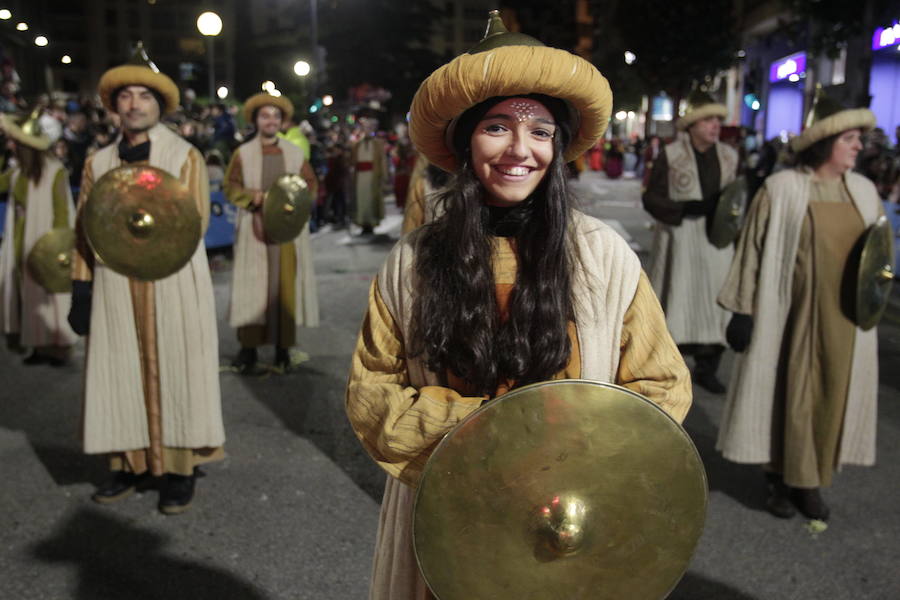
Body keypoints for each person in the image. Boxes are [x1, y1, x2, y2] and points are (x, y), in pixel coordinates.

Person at [345, 12, 692, 599]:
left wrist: (569, 447)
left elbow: (662, 387)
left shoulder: (604, 256)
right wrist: (489, 437)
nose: (519, 150)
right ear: (464, 141)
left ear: (557, 147)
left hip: (569, 520)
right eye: (498, 127)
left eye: (540, 132)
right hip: (450, 513)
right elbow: (372, 392)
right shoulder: (411, 263)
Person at [68, 45, 224, 515]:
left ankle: (179, 469)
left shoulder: (184, 156)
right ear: (114, 106)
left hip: (172, 279)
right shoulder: (97, 163)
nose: (135, 104)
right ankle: (127, 463)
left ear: (159, 106)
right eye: (126, 97)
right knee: (117, 371)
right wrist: (81, 285)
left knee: (178, 366)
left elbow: (193, 223)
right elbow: (84, 227)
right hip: (115, 282)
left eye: (145, 96)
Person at [717, 89, 881, 522]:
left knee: (830, 395)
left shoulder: (864, 191)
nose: (859, 147)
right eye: (850, 139)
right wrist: (741, 309)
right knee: (786, 395)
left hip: (845, 320)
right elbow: (751, 251)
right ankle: (782, 481)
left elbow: (878, 260)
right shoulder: (781, 188)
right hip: (789, 315)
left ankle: (811, 479)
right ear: (827, 143)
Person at [642, 90, 739, 393]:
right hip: (680, 240)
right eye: (708, 119)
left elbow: (737, 198)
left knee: (716, 306)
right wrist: (684, 209)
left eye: (717, 120)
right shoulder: (670, 155)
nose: (715, 125)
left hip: (717, 242)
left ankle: (708, 368)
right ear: (693, 124)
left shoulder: (730, 155)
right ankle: (672, 367)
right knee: (678, 300)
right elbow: (652, 198)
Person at [224, 93, 319, 373]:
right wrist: (249, 197)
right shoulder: (242, 153)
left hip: (286, 233)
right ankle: (248, 349)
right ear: (255, 120)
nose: (271, 120)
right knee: (252, 287)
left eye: (276, 116)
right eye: (265, 115)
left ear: (282, 121)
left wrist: (297, 204)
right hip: (254, 230)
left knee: (283, 287)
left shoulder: (294, 153)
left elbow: (310, 183)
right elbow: (230, 186)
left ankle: (282, 348)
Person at [0, 110, 77, 364]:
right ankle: (37, 344)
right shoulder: (17, 171)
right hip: (20, 237)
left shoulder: (54, 171)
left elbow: (62, 210)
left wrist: (58, 245)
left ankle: (57, 347)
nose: (11, 145)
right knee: (26, 291)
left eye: (15, 142)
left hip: (44, 239)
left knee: (47, 294)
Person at [351, 116, 385, 234]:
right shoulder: (356, 144)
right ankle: (362, 222)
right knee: (361, 200)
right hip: (360, 176)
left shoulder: (377, 144)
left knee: (371, 200)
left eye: (369, 128)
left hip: (372, 175)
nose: (366, 130)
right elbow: (353, 162)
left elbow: (382, 161)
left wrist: (383, 176)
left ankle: (371, 223)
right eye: (364, 128)